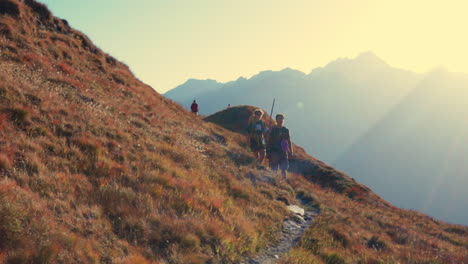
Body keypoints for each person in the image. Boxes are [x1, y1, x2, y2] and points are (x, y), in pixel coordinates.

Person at [267, 113, 293, 179]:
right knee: (274, 166)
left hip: (283, 151)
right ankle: (273, 179)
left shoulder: (286, 130)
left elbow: (289, 141)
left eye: (282, 119)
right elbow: (268, 139)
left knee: (284, 167)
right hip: (274, 150)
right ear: (276, 120)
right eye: (279, 118)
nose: (281, 120)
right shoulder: (273, 129)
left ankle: (283, 181)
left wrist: (290, 152)